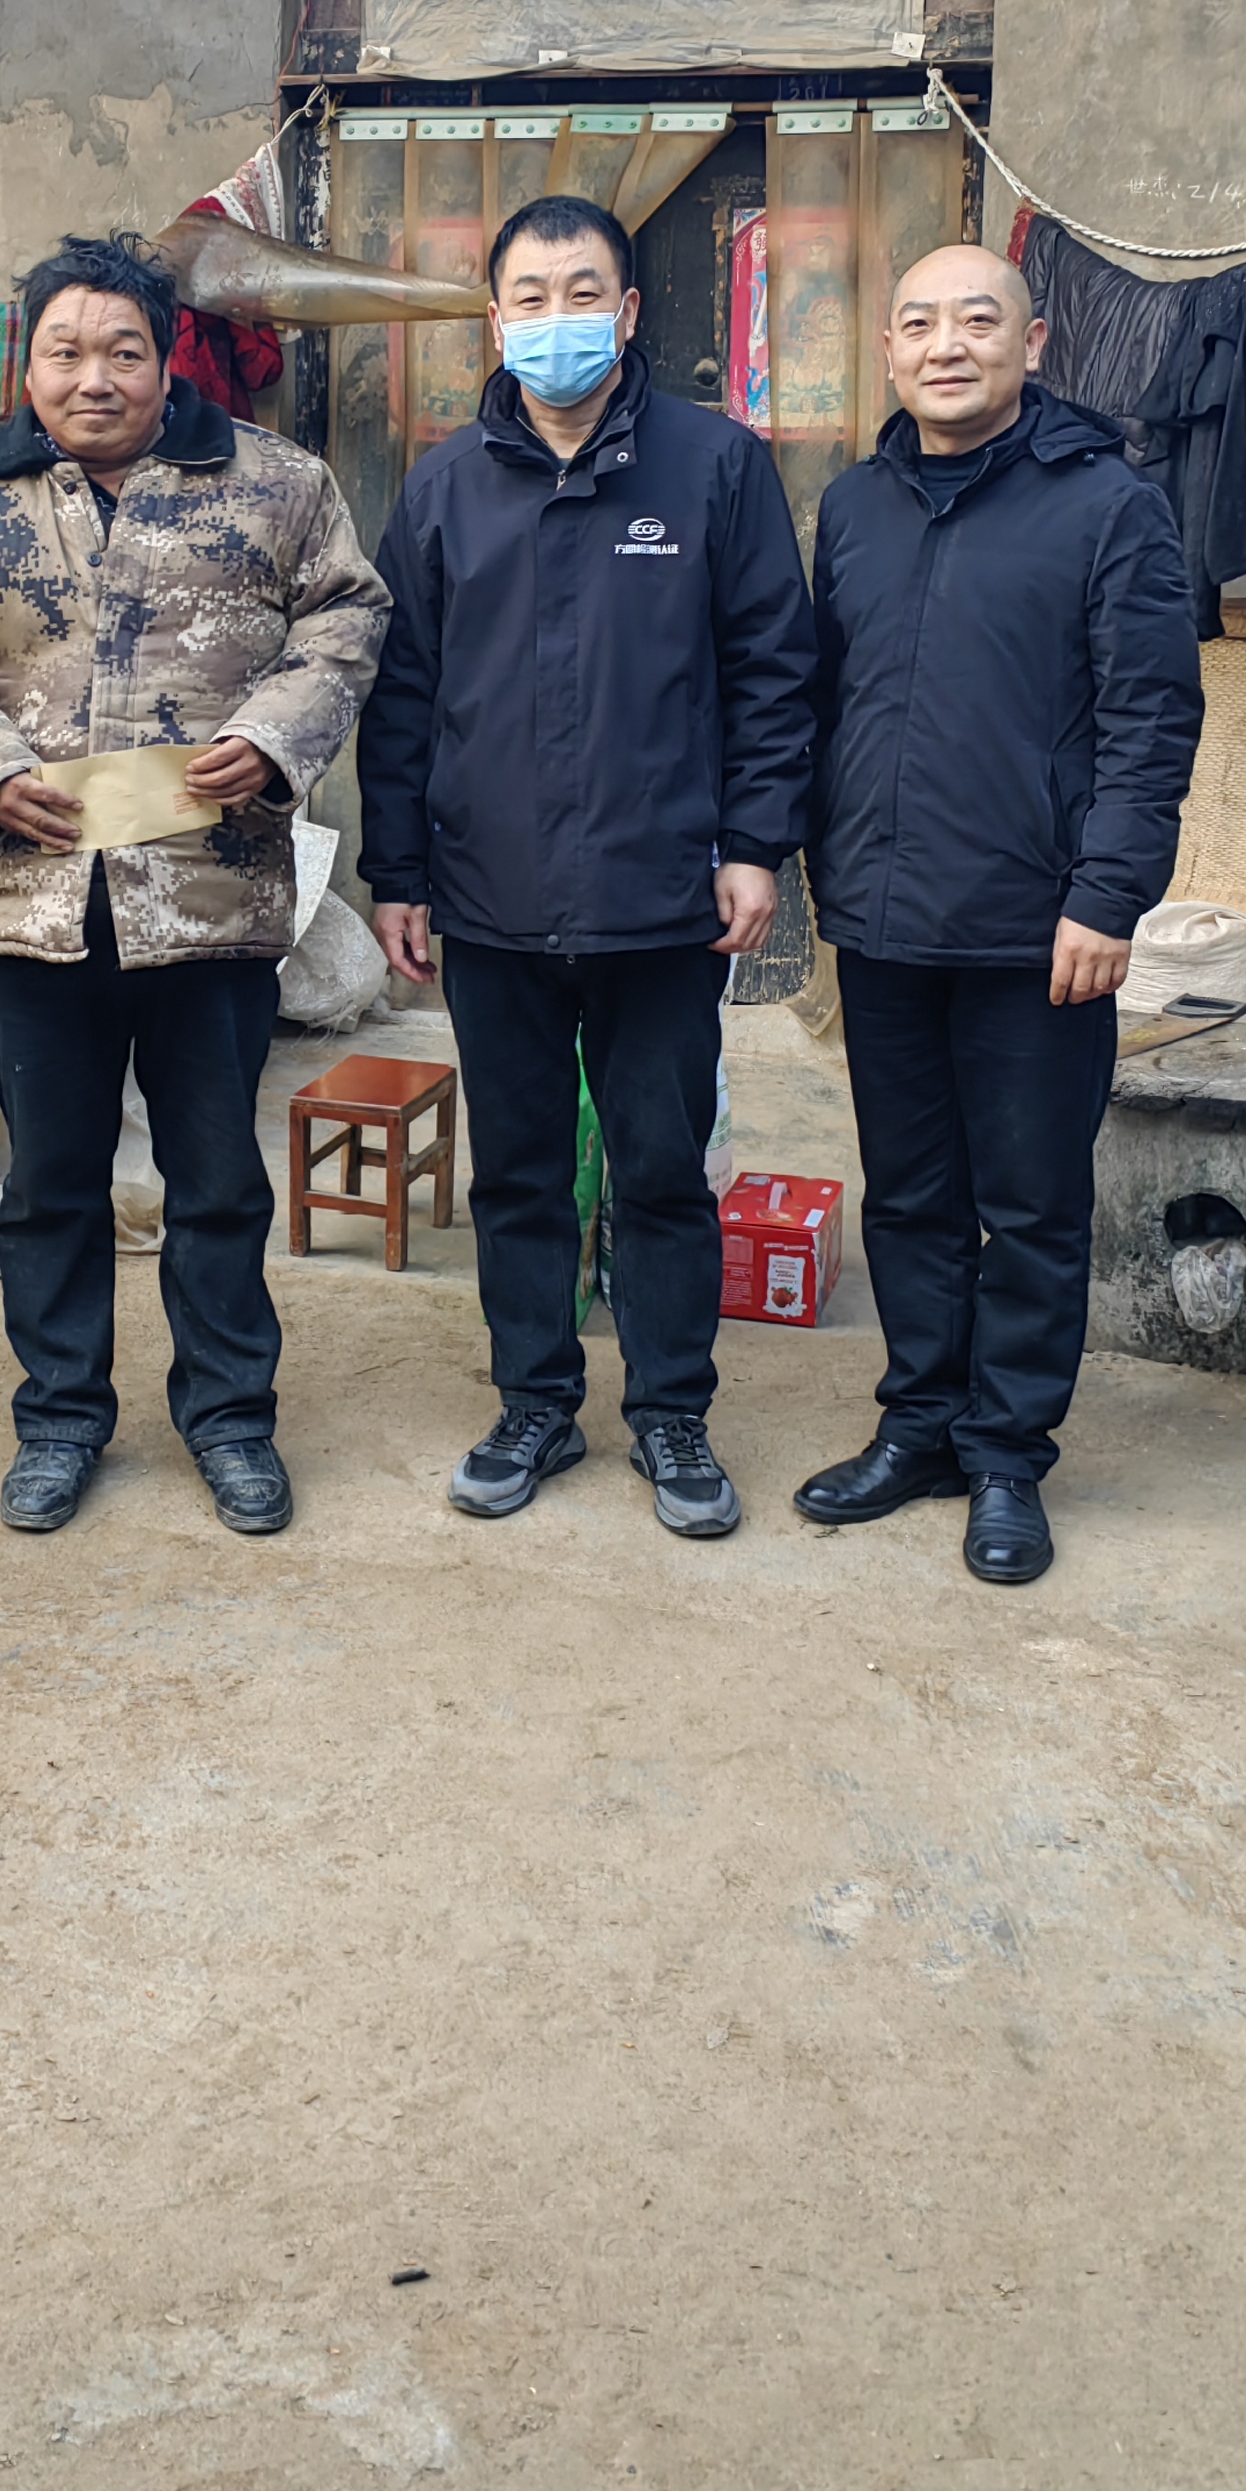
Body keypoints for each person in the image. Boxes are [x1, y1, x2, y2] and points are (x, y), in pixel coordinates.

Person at [0, 233, 389, 1538]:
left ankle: (230, 1420)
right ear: (29, 362)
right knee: (50, 1184)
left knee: (216, 1182)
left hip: (210, 899)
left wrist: (272, 738)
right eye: (66, 351)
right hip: (31, 904)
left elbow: (345, 618)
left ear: (167, 361)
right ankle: (59, 1420)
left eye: (123, 351)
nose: (93, 377)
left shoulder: (277, 484)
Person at [360, 193, 817, 1534]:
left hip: (662, 896)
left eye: (582, 294)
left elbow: (772, 671)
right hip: (490, 897)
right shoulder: (444, 486)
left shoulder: (714, 467)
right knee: (516, 1171)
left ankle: (672, 1414)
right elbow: (401, 694)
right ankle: (535, 1404)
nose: (555, 318)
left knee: (659, 1168)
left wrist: (755, 847)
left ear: (626, 312)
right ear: (494, 318)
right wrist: (399, 872)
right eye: (530, 296)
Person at [796, 243, 1204, 1586]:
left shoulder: (1108, 506)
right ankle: (921, 1426)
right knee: (911, 1198)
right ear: (890, 353)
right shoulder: (856, 508)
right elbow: (825, 700)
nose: (946, 345)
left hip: (1041, 931)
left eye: (978, 321)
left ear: (1032, 347)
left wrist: (1109, 895)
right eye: (919, 324)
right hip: (884, 919)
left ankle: (1009, 1456)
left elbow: (1152, 718)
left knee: (1029, 1206)